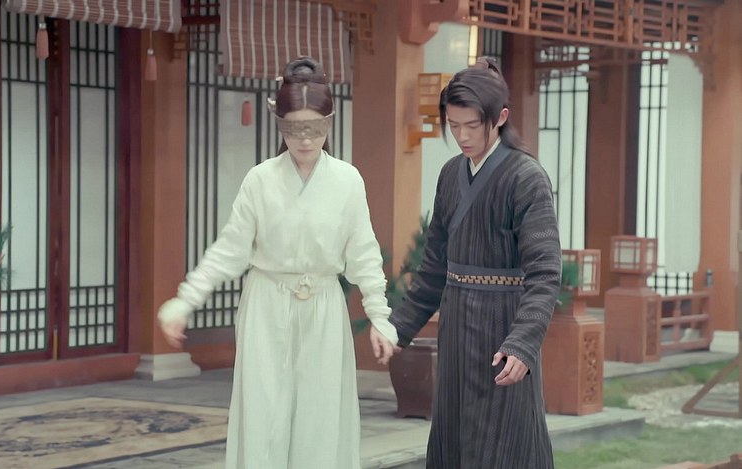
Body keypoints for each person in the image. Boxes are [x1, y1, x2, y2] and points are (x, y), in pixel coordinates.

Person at [157, 56, 398, 469]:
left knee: (321, 418)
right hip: (266, 305)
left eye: (314, 128)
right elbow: (230, 249)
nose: (304, 140)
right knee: (264, 414)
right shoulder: (261, 180)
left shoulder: (347, 180)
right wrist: (185, 300)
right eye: (294, 128)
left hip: (323, 307)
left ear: (329, 122)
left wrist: (379, 316)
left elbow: (363, 254)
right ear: (279, 123)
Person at [388, 57, 561, 468]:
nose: (462, 136)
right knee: (452, 435)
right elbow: (433, 267)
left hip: (502, 333)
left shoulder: (526, 178)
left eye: (472, 125)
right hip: (456, 326)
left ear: (500, 118)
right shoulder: (450, 175)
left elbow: (544, 273)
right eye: (453, 125)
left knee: (503, 442)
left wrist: (523, 343)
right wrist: (397, 329)